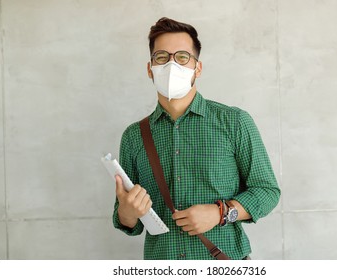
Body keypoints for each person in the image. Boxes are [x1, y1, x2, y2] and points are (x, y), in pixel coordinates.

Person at [113, 17, 280, 260]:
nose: (172, 65)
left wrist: (220, 213)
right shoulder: (133, 136)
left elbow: (267, 191)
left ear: (197, 68)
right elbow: (129, 222)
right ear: (150, 69)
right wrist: (127, 212)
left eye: (182, 57)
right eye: (162, 57)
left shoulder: (234, 122)